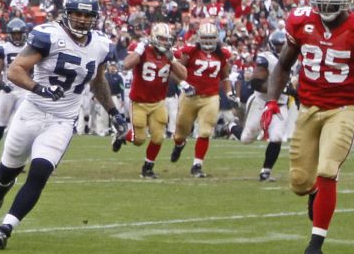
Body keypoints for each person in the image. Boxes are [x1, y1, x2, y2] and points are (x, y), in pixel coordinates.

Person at [0, 0, 124, 249]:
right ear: (66, 14)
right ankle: (2, 187)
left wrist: (114, 113)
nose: (82, 20)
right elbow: (15, 71)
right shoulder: (48, 35)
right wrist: (40, 88)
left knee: (40, 172)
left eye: (87, 15)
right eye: (77, 14)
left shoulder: (101, 45)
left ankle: (5, 228)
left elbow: (98, 81)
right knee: (7, 170)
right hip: (32, 112)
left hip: (62, 118)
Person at [262, 0, 354, 254]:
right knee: (300, 183)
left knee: (329, 169)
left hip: (344, 108)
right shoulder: (301, 22)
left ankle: (315, 246)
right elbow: (283, 65)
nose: (326, 1)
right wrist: (271, 101)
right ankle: (315, 190)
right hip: (308, 107)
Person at [116, 22, 186, 178]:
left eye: (166, 39)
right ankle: (122, 135)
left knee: (158, 137)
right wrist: (139, 50)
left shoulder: (170, 54)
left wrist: (173, 60)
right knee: (139, 139)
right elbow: (126, 65)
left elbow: (184, 75)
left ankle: (148, 167)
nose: (164, 42)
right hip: (139, 102)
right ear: (153, 38)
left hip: (158, 102)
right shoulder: (143, 50)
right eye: (161, 38)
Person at [168, 22, 233, 177]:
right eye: (205, 38)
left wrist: (230, 93)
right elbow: (176, 69)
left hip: (210, 97)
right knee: (180, 133)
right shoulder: (190, 51)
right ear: (199, 38)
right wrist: (183, 84)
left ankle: (197, 165)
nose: (209, 42)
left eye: (211, 38)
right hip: (190, 97)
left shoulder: (222, 54)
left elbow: (225, 76)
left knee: (205, 131)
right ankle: (179, 144)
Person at [238, 30, 289, 180]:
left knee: (277, 137)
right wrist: (281, 88)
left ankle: (266, 171)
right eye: (279, 46)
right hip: (262, 101)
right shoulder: (266, 58)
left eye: (283, 46)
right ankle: (231, 127)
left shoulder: (294, 57)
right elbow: (256, 82)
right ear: (272, 46)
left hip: (281, 103)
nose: (282, 49)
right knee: (246, 138)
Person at [0, 17, 28, 170]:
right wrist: (3, 85)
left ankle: (16, 160)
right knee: (1, 124)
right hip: (8, 90)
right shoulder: (2, 48)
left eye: (19, 34)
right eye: (14, 34)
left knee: (21, 126)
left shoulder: (30, 48)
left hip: (24, 89)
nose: (17, 36)